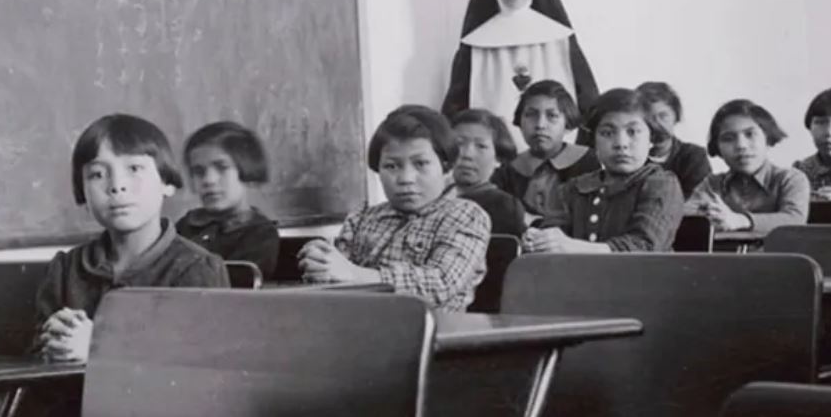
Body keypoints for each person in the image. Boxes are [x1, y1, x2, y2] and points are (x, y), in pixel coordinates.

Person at [35, 114, 229, 365]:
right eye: (97, 174)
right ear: (81, 192)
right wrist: (53, 344)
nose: (117, 186)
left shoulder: (197, 269)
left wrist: (98, 348)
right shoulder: (66, 268)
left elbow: (200, 367)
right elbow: (34, 354)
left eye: (134, 168)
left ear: (167, 183)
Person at [297, 106, 490, 311]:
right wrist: (321, 262)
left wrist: (356, 274)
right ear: (377, 169)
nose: (406, 179)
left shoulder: (466, 216)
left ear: (446, 167)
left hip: (431, 335)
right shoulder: (361, 218)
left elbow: (440, 284)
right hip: (360, 329)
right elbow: (336, 280)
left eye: (421, 164)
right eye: (391, 166)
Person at [441, 0, 598, 145]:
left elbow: (589, 102)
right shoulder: (476, 43)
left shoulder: (559, 36)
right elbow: (455, 109)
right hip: (495, 159)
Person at [524, 88, 683, 253]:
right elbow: (554, 234)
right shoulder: (573, 189)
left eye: (633, 132)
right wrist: (540, 240)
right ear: (594, 140)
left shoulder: (662, 184)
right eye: (607, 133)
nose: (621, 143)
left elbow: (644, 246)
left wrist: (570, 246)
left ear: (652, 139)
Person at [686, 99, 810, 233]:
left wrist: (740, 220)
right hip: (723, 253)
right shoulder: (712, 184)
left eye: (750, 134)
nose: (741, 145)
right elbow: (685, 215)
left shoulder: (790, 179)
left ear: (767, 138)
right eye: (728, 138)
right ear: (718, 147)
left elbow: (794, 219)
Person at [175, 121, 280, 277]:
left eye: (222, 167)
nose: (209, 180)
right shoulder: (186, 225)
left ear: (246, 169)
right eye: (198, 171)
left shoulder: (260, 234)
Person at [491, 80, 600, 220]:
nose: (540, 125)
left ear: (567, 123)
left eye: (552, 116)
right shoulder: (507, 171)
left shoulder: (590, 162)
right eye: (531, 115)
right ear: (520, 120)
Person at [448, 108, 526, 236]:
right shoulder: (430, 198)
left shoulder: (503, 206)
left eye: (481, 146)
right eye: (459, 144)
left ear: (498, 159)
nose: (467, 154)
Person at [635, 81, 712, 199]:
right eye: (646, 120)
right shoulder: (631, 160)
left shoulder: (693, 156)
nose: (656, 125)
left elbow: (700, 203)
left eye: (663, 116)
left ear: (676, 115)